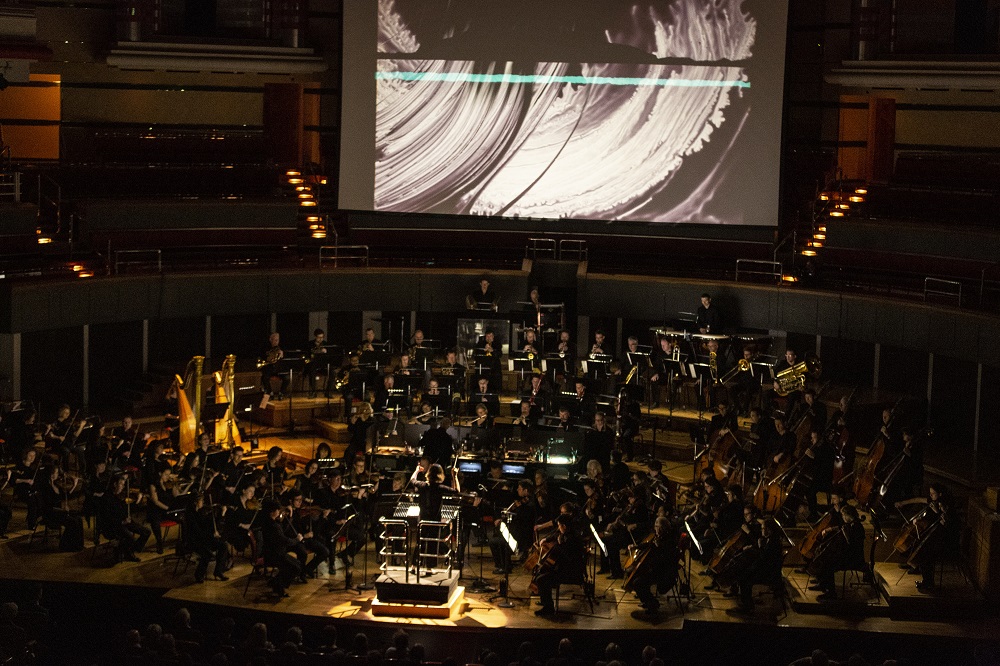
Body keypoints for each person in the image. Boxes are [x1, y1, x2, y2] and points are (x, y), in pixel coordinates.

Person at [533, 514, 587, 616]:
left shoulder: (571, 539)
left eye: (559, 526)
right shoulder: (569, 534)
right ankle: (545, 601)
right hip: (566, 568)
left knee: (542, 579)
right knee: (542, 572)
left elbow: (569, 557)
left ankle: (548, 607)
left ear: (564, 526)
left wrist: (560, 545)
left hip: (571, 573)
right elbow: (557, 540)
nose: (558, 528)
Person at [811, 504, 866, 601]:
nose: (843, 517)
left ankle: (831, 593)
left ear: (849, 515)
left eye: (844, 515)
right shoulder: (850, 524)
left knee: (828, 563)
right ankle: (823, 584)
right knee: (823, 556)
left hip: (853, 558)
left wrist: (844, 533)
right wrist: (831, 529)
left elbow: (852, 544)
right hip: (847, 555)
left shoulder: (858, 527)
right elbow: (841, 527)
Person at [629, 516, 681, 616]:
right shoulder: (660, 538)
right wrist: (635, 546)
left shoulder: (670, 540)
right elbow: (649, 545)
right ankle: (648, 601)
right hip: (656, 569)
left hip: (664, 573)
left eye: (657, 526)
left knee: (637, 582)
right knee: (636, 576)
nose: (655, 528)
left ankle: (653, 604)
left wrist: (659, 547)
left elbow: (667, 559)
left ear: (662, 528)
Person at [259, 498, 303, 597]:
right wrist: (297, 540)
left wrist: (289, 518)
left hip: (276, 552)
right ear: (272, 512)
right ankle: (278, 585)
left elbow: (282, 532)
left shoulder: (270, 522)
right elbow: (284, 540)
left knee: (298, 565)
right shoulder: (272, 525)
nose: (279, 512)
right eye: (277, 510)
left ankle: (276, 582)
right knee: (295, 567)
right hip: (274, 554)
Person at [184, 493, 229, 582]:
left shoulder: (200, 512)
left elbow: (208, 525)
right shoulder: (190, 515)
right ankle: (199, 575)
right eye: (201, 500)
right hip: (194, 541)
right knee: (207, 553)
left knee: (223, 546)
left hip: (204, 538)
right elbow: (197, 532)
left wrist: (221, 514)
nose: (203, 502)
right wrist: (212, 535)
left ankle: (218, 571)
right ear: (195, 502)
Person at [259, 332, 288, 400]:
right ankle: (270, 392)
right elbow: (262, 357)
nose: (276, 342)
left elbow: (284, 360)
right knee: (265, 377)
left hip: (278, 368)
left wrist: (282, 355)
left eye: (277, 340)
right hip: (269, 368)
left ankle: (281, 393)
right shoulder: (265, 348)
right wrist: (269, 357)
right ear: (270, 339)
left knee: (287, 377)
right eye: (274, 340)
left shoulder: (280, 348)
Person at [305, 328, 330, 398]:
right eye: (319, 337)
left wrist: (326, 352)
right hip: (313, 365)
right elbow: (307, 356)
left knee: (332, 372)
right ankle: (313, 392)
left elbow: (329, 357)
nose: (320, 339)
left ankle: (328, 392)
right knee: (311, 371)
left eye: (322, 337)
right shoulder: (310, 344)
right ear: (315, 337)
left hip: (323, 365)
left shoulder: (325, 344)